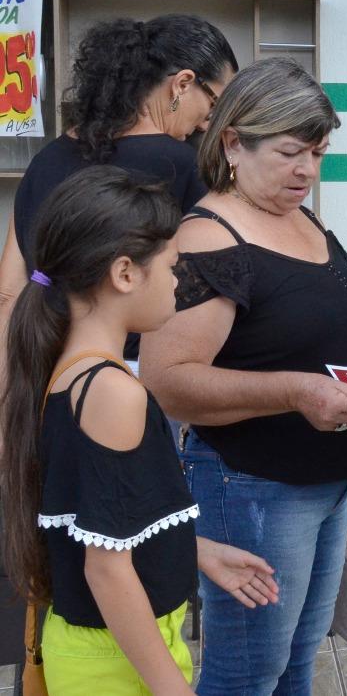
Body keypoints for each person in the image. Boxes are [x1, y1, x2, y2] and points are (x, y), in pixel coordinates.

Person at [139, 57, 347, 695]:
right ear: (232, 143)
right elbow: (168, 381)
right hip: (252, 488)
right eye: (289, 153)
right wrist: (292, 392)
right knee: (247, 673)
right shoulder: (209, 239)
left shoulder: (299, 215)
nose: (306, 170)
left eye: (318, 152)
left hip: (329, 477)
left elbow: (334, 334)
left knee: (297, 662)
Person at [0, 166, 279, 695]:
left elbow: (99, 517)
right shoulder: (112, 392)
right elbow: (107, 571)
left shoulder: (66, 369)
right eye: (173, 267)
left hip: (101, 647)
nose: (179, 282)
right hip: (113, 659)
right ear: (125, 273)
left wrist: (193, 549)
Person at [0, 13, 238, 363]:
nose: (208, 122)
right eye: (215, 104)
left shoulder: (44, 161)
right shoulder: (183, 166)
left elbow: (9, 293)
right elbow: (204, 293)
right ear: (183, 84)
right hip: (132, 372)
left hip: (41, 366)